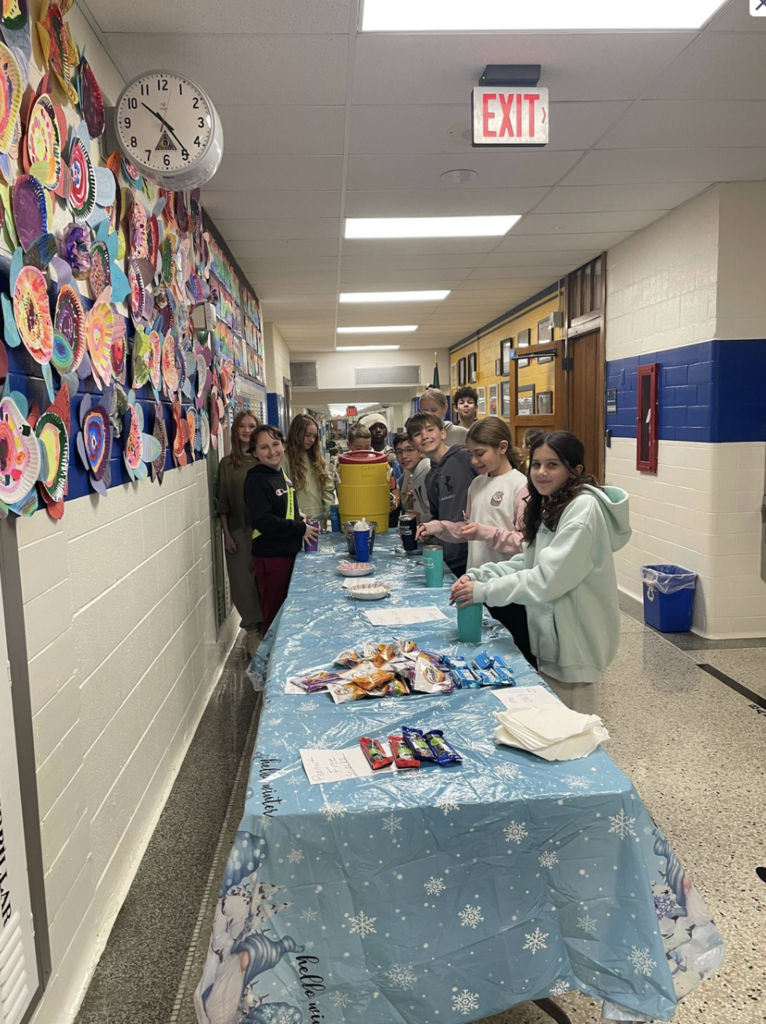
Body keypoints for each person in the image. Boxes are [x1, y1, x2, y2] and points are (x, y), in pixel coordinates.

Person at [450, 431, 631, 715]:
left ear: (576, 470)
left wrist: (483, 592)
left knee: (572, 734)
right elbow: (528, 561)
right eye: (536, 464)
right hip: (551, 640)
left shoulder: (582, 511)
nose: (541, 472)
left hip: (575, 644)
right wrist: (481, 576)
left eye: (552, 465)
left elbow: (547, 579)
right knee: (551, 724)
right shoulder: (552, 503)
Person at [417, 417, 535, 666]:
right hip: (478, 585)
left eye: (480, 454)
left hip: (509, 589)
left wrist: (485, 533)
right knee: (485, 654)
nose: (474, 461)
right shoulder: (477, 484)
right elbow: (468, 529)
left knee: (518, 656)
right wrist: (438, 527)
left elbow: (526, 544)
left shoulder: (521, 486)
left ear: (502, 447)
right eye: (471, 454)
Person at [244, 425, 320, 634]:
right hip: (271, 557)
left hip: (287, 552)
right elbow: (263, 521)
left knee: (286, 613)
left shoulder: (279, 473)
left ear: (283, 446)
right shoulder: (257, 480)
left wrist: (300, 517)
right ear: (254, 453)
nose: (272, 451)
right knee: (274, 614)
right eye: (264, 447)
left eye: (275, 444)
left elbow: (281, 510)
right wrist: (299, 527)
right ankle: (269, 662)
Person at [406, 411, 477, 577]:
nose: (425, 436)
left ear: (443, 433)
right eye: (418, 434)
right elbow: (437, 517)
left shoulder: (465, 457)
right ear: (414, 444)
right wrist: (426, 530)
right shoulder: (430, 478)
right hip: (450, 557)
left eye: (430, 430)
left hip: (474, 553)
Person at [217, 411, 263, 656]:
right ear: (235, 430)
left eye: (251, 426)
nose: (247, 431)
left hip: (264, 530)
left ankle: (266, 628)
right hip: (238, 530)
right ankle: (252, 633)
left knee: (262, 579)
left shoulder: (264, 460)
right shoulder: (227, 463)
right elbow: (223, 503)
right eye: (242, 426)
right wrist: (227, 534)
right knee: (242, 583)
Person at [281, 414, 335, 528]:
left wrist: (330, 510)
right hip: (298, 523)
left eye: (314, 436)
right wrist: (300, 517)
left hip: (319, 521)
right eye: (308, 435)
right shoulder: (284, 459)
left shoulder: (316, 458)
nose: (312, 440)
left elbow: (327, 487)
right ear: (297, 433)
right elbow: (284, 495)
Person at [347, 421, 400, 515]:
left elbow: (394, 488)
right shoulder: (343, 466)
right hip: (354, 510)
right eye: (358, 448)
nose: (364, 452)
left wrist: (394, 501)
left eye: (367, 447)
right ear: (348, 445)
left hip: (378, 510)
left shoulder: (381, 464)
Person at [393, 431, 431, 524]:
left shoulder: (428, 472)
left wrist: (422, 517)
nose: (404, 456)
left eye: (409, 450)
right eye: (399, 452)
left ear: (421, 451)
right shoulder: (410, 474)